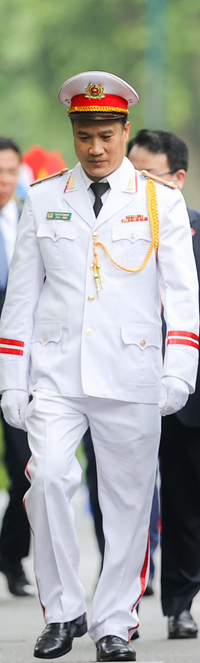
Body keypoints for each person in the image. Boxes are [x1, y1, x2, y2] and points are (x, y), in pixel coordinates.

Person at [0, 71, 199, 662]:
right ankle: (62, 610)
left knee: (128, 501)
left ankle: (115, 620)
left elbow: (182, 293)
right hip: (57, 373)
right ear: (73, 132)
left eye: (107, 134)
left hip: (133, 371)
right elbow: (22, 299)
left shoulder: (160, 201)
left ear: (124, 131)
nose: (95, 147)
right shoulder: (42, 199)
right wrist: (12, 377)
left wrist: (179, 368)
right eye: (85, 134)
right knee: (52, 479)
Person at [125, 129, 200, 640]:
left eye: (149, 175)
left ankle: (181, 601)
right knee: (123, 494)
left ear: (178, 179)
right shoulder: (113, 229)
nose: (136, 184)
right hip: (123, 384)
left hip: (189, 388)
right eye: (133, 173)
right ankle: (121, 599)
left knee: (186, 496)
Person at [0, 136, 33, 598]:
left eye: (9, 172)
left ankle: (11, 554)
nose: (3, 182)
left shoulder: (27, 220)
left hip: (16, 364)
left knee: (28, 466)